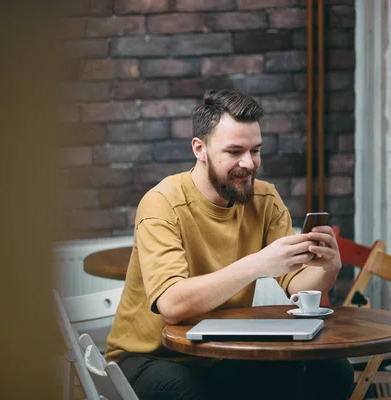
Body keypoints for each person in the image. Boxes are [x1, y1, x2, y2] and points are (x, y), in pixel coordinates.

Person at [104, 89, 354, 400]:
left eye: (256, 150)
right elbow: (172, 306)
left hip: (222, 353)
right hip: (151, 357)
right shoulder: (162, 203)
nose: (248, 163)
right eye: (235, 151)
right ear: (200, 149)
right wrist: (258, 264)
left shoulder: (264, 198)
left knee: (333, 370)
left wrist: (327, 265)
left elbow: (299, 287)